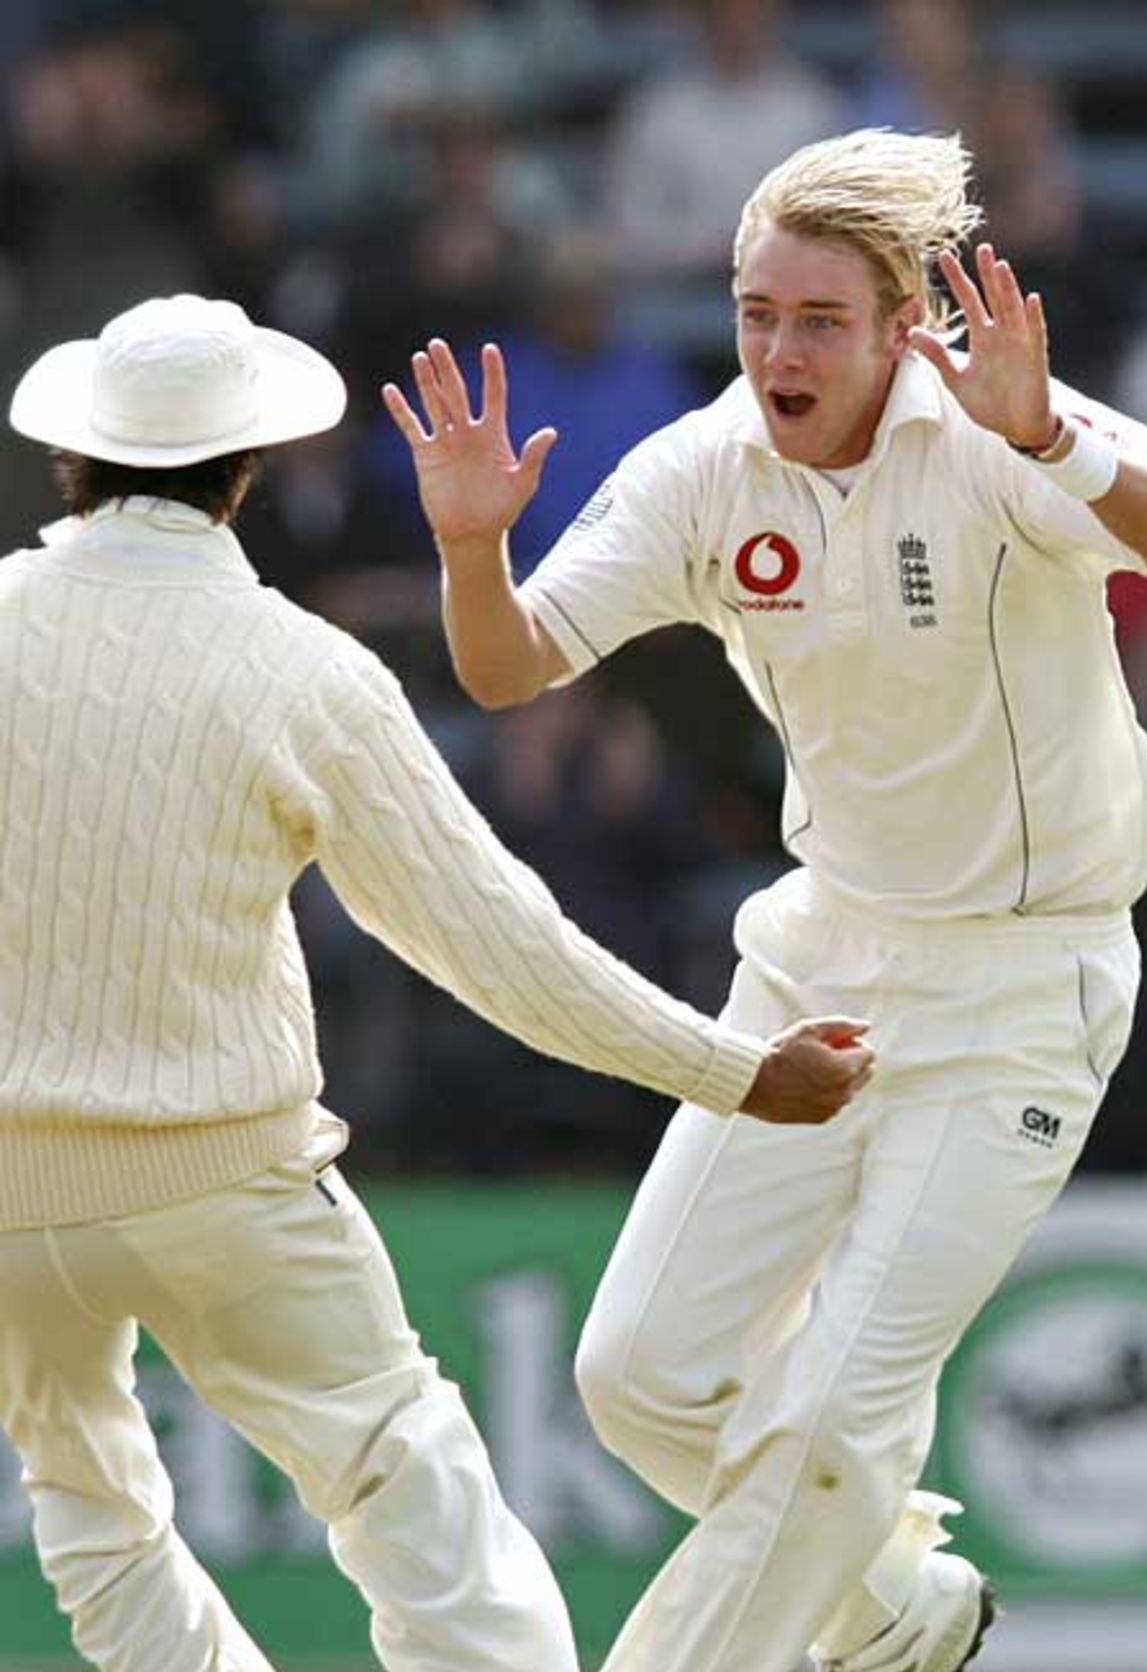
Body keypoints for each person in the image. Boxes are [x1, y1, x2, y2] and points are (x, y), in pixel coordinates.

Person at [383, 126, 1147, 1672]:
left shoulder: (990, 422)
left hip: (1024, 992)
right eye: (756, 312)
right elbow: (508, 667)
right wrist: (467, 553)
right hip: (820, 966)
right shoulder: (704, 469)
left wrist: (1053, 440)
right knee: (637, 1377)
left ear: (905, 324)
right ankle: (896, 1614)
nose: (778, 349)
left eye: (819, 321)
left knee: (839, 1419)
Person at [0, 293, 875, 1672]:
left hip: (11, 1199)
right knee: (408, 1483)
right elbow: (499, 947)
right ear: (252, 469)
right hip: (224, 1176)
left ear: (75, 459)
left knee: (89, 1506)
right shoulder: (305, 670)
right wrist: (734, 1070)